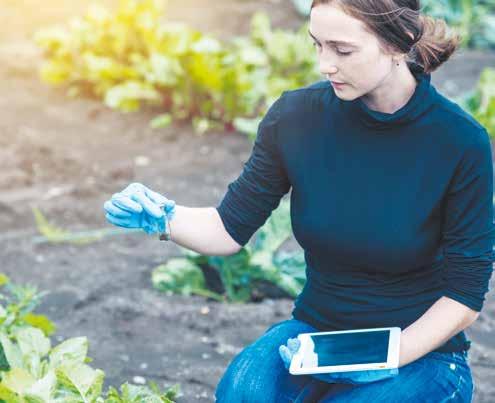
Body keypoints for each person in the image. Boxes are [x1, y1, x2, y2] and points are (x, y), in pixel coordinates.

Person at [103, 0, 494, 401]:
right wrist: (164, 218)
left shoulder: (459, 143)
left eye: (342, 50)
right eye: (317, 45)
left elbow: (464, 298)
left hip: (419, 352)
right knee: (242, 391)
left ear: (400, 42)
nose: (325, 65)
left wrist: (383, 356)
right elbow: (227, 229)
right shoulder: (297, 118)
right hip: (315, 336)